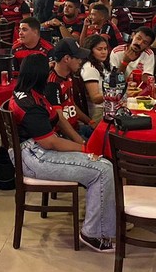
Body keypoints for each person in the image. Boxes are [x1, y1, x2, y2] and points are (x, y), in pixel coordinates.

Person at [10, 53, 115, 253]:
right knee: (103, 169)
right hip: (33, 157)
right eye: (47, 67)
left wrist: (84, 145)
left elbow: (57, 124)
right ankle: (94, 233)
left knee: (102, 161)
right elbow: (50, 142)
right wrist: (85, 149)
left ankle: (102, 219)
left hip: (36, 150)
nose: (51, 69)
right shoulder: (30, 104)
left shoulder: (30, 92)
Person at [46, 38, 96, 140]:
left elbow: (71, 105)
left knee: (105, 137)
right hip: (63, 135)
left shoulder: (68, 76)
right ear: (67, 58)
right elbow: (59, 119)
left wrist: (90, 122)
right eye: (77, 58)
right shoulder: (52, 83)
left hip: (76, 127)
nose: (80, 61)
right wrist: (81, 142)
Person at [79, 34, 111, 121]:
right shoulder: (89, 68)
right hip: (98, 111)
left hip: (107, 106)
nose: (104, 52)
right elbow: (95, 98)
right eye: (99, 49)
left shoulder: (101, 63)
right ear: (90, 51)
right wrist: (114, 94)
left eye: (105, 49)